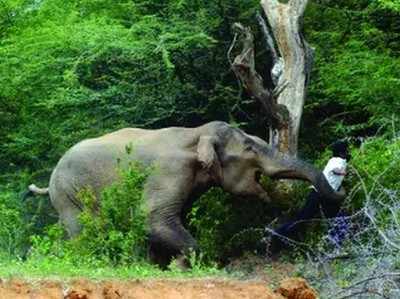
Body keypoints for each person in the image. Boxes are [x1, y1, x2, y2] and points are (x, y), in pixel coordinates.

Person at [268, 140, 350, 253]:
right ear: (342, 152)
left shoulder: (337, 160)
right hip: (319, 194)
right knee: (303, 219)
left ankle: (337, 247)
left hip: (326, 195)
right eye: (346, 150)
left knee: (337, 219)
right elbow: (335, 170)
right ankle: (277, 234)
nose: (348, 152)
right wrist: (343, 173)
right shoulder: (337, 160)